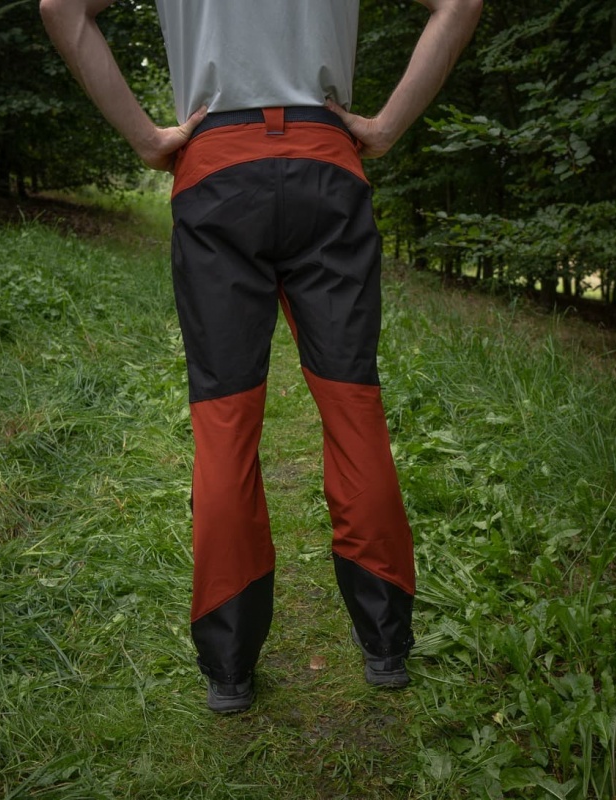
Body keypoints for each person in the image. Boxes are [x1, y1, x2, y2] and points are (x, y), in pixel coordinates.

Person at [40, 0, 482, 713]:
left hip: (215, 170)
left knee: (224, 420)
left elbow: (61, 7)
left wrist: (148, 139)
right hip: (325, 164)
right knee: (354, 407)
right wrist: (386, 126)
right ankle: (386, 646)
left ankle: (230, 669)